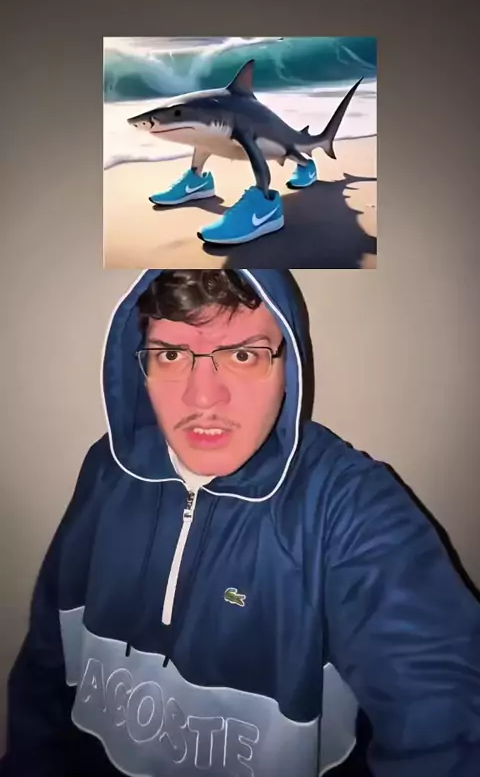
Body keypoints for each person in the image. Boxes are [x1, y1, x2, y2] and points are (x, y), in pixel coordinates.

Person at [1, 269, 480, 777]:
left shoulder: (349, 505)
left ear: (289, 366)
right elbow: (47, 665)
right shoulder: (108, 471)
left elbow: (447, 717)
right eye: (171, 355)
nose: (203, 398)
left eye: (244, 355)